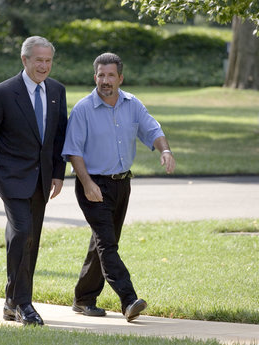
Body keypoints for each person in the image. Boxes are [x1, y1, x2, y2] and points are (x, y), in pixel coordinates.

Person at [61, 52, 176, 322]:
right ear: (95, 77)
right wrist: (87, 184)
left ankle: (84, 298)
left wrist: (166, 151)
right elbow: (74, 152)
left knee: (102, 244)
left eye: (111, 75)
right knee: (108, 245)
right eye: (101, 75)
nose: (105, 80)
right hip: (93, 184)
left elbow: (152, 130)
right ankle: (128, 299)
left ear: (120, 78)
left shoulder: (132, 104)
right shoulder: (82, 110)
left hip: (122, 184)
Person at [0, 36, 67, 326]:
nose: (44, 66)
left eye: (48, 60)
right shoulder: (1, 94)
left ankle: (11, 301)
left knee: (30, 239)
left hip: (42, 179)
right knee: (22, 231)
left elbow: (59, 134)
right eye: (39, 60)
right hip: (11, 177)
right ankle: (24, 303)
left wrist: (59, 173)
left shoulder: (56, 91)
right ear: (24, 60)